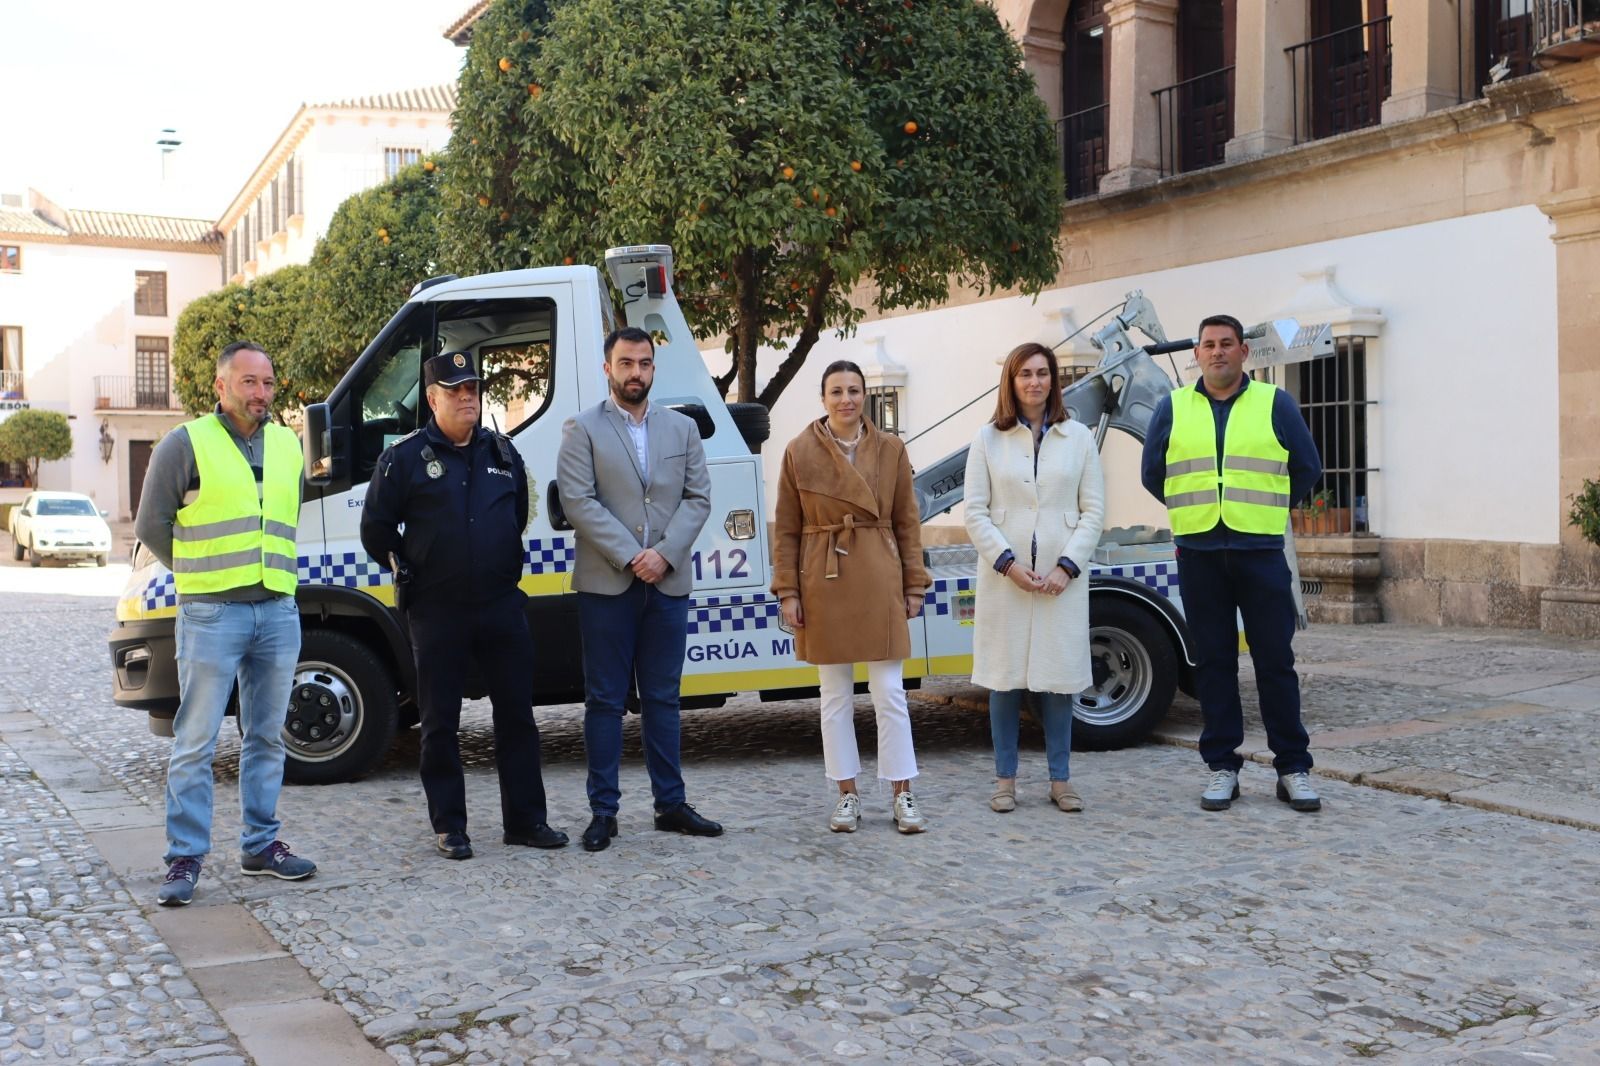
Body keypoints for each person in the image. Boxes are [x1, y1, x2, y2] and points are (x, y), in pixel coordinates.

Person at [361, 351, 567, 859]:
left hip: (500, 605)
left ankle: (525, 820)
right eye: (455, 390)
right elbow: (376, 529)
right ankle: (450, 825)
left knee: (517, 716)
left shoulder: (502, 452)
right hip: (437, 610)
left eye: (472, 388)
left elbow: (516, 512)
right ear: (432, 398)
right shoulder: (403, 459)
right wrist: (407, 563)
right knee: (439, 722)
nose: (466, 397)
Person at [134, 341, 316, 906]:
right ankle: (184, 858)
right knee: (195, 741)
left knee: (266, 736)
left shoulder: (289, 445)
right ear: (221, 386)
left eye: (267, 383)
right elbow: (150, 523)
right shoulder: (185, 444)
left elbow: (285, 515)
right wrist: (197, 571)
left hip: (278, 611)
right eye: (248, 383)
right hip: (211, 613)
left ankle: (261, 844)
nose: (261, 393)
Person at [1140, 314, 1324, 813]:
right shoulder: (1173, 407)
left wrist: (1265, 509)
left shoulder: (1274, 403)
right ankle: (1223, 767)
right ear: (1196, 354)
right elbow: (1152, 474)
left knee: (1275, 663)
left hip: (1260, 552)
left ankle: (1293, 769)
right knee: (1214, 665)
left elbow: (1307, 468)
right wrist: (1192, 510)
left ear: (1243, 352)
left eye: (1226, 344)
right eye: (1208, 345)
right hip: (1199, 553)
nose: (1217, 352)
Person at [555, 327, 721, 852]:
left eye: (645, 363)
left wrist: (664, 555)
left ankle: (670, 804)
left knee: (664, 700)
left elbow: (698, 497)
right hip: (608, 584)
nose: (636, 373)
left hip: (668, 583)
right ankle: (604, 812)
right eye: (626, 363)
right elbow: (579, 502)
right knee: (604, 702)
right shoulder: (580, 429)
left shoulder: (682, 430)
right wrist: (632, 555)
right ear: (609, 368)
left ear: (654, 368)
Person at [772, 360, 930, 835]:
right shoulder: (799, 451)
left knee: (890, 692)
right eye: (837, 391)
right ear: (823, 398)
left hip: (879, 572)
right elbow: (785, 528)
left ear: (866, 396)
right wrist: (788, 591)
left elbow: (907, 520)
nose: (846, 399)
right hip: (824, 576)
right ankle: (846, 795)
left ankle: (902, 792)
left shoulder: (891, 449)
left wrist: (914, 582)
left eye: (854, 390)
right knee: (834, 696)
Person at [964, 343, 1105, 815]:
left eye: (1043, 373)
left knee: (1059, 680)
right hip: (1007, 577)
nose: (1034, 382)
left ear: (1054, 380)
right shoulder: (987, 439)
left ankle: (1060, 780)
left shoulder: (1079, 437)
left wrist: (1067, 566)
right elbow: (975, 512)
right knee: (1005, 680)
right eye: (1025, 373)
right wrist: (1006, 563)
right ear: (1011, 380)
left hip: (1059, 579)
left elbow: (1093, 511)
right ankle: (1005, 780)